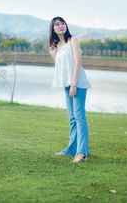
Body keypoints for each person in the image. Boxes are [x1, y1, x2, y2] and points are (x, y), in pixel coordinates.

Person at [49, 16, 92, 163]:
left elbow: (78, 62)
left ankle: (82, 152)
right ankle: (71, 150)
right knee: (72, 119)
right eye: (57, 24)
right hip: (68, 84)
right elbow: (62, 67)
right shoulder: (58, 46)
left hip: (77, 82)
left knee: (79, 117)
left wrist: (74, 84)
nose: (61, 26)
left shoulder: (73, 40)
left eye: (62, 23)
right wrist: (54, 56)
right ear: (53, 29)